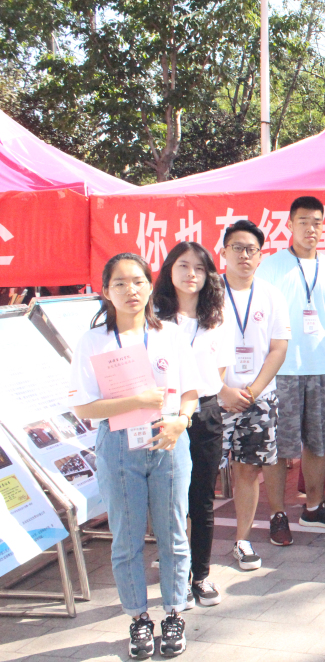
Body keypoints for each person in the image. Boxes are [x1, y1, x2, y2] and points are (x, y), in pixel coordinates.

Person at [69, 253, 199, 659]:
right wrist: (136, 400)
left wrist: (181, 421)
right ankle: (139, 618)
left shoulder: (170, 334)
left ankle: (174, 613)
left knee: (173, 532)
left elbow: (191, 392)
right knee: (126, 538)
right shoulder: (94, 341)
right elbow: (83, 406)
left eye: (139, 281)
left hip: (169, 440)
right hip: (118, 444)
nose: (131, 290)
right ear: (106, 291)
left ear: (150, 285)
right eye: (120, 283)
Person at [256, 196, 325, 542]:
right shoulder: (271, 267)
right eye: (303, 222)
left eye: (316, 222)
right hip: (282, 370)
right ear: (290, 224)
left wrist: (316, 343)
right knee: (279, 446)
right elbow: (260, 317)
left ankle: (314, 508)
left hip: (322, 368)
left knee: (316, 442)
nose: (310, 229)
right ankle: (278, 514)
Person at [152, 242, 233, 608]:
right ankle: (176, 578)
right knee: (171, 501)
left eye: (199, 268)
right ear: (170, 270)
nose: (191, 274)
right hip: (166, 417)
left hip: (205, 414)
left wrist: (200, 399)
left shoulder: (216, 316)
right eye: (183, 266)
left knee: (201, 499)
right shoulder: (154, 317)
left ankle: (199, 575)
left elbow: (219, 371)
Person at [218, 220, 290, 570]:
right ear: (223, 252)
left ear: (261, 256)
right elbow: (193, 348)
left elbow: (279, 347)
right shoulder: (208, 293)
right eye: (237, 248)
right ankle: (185, 548)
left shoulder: (271, 295)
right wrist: (222, 391)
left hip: (258, 398)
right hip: (212, 398)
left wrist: (253, 390)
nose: (244, 255)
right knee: (200, 474)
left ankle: (242, 541)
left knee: (248, 470)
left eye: (252, 249)